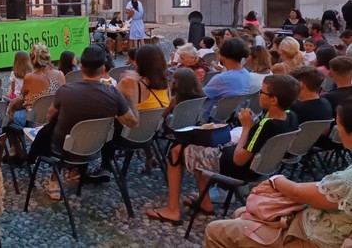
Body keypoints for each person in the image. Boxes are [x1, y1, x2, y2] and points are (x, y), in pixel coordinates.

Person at [148, 74, 299, 225]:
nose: (259, 94)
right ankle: (204, 202)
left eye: (262, 92)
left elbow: (239, 159)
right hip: (260, 169)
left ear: (274, 100)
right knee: (201, 147)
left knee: (177, 150)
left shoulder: (266, 125)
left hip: (235, 167)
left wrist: (246, 128)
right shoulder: (290, 116)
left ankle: (172, 210)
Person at [204, 98, 352, 248]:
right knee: (242, 212)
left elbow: (239, 160)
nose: (337, 130)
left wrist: (275, 181)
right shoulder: (291, 116)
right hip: (310, 223)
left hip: (306, 236)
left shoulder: (269, 123)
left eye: (338, 125)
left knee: (214, 230)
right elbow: (325, 191)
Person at [26, 45, 138, 198]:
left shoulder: (65, 91)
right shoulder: (113, 93)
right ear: (103, 68)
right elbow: (132, 123)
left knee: (59, 127)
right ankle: (81, 170)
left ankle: (56, 178)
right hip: (95, 147)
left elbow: (49, 117)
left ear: (81, 67)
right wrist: (130, 95)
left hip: (62, 149)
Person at [92, 44, 170, 178]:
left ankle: (105, 166)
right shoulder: (166, 84)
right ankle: (149, 156)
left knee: (109, 124)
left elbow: (111, 102)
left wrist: (124, 84)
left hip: (129, 136)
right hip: (150, 134)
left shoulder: (133, 83)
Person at [5, 44, 65, 158]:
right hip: (56, 118)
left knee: (7, 122)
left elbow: (22, 96)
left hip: (34, 118)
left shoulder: (30, 77)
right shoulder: (60, 74)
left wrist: (11, 109)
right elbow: (64, 96)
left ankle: (18, 150)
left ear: (32, 59)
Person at [201, 38, 251, 121]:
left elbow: (200, 96)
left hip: (207, 116)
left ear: (222, 54)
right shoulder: (246, 74)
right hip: (228, 116)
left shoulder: (221, 79)